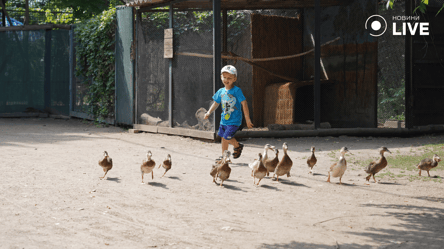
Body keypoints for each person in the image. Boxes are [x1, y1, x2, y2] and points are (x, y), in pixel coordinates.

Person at [204, 65, 254, 160]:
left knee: (227, 137)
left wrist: (247, 119)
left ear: (234, 79)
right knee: (223, 138)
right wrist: (208, 112)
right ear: (221, 77)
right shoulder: (221, 91)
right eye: (224, 77)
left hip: (235, 120)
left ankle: (238, 146)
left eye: (229, 78)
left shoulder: (237, 90)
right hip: (224, 120)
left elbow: (244, 103)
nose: (226, 80)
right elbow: (215, 103)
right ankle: (224, 157)